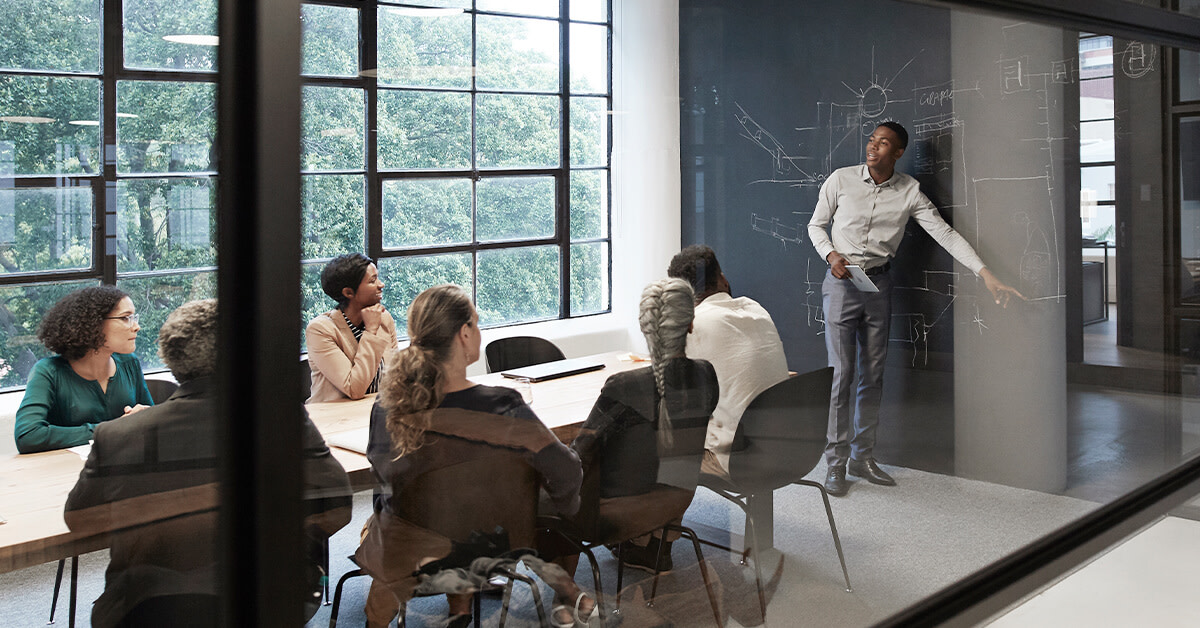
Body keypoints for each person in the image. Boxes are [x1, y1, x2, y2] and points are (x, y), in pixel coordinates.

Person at [64, 299, 353, 628]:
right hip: (265, 596)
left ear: (173, 361)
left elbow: (79, 521)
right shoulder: (280, 418)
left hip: (147, 606)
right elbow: (338, 503)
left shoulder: (117, 435)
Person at [807, 121, 1025, 496]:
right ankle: (836, 463)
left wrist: (986, 274)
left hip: (879, 285)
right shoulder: (841, 180)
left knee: (873, 376)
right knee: (842, 375)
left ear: (899, 152)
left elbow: (945, 234)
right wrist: (830, 254)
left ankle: (862, 456)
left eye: (884, 143)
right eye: (872, 140)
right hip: (842, 284)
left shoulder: (910, 192)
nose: (873, 147)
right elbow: (816, 225)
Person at [357, 284, 594, 628]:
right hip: (494, 547)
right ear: (464, 333)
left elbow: (383, 475)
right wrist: (562, 508)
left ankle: (417, 614)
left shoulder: (387, 406)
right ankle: (554, 599)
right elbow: (565, 469)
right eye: (478, 325)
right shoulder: (502, 406)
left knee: (390, 517)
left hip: (411, 552)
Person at [568, 277, 719, 573]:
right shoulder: (706, 374)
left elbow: (578, 455)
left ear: (644, 327)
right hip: (673, 502)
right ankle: (656, 545)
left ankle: (566, 599)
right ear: (690, 324)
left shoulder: (623, 386)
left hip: (615, 515)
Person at [667, 244, 789, 474]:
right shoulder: (757, 309)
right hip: (789, 445)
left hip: (736, 457)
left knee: (647, 442)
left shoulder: (694, 325)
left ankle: (666, 508)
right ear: (722, 278)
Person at [14, 286, 154, 454]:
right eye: (125, 318)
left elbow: (153, 421)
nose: (136, 326)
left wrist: (144, 417)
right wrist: (114, 429)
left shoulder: (129, 363)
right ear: (94, 324)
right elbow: (28, 435)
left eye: (134, 318)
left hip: (123, 467)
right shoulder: (48, 371)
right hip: (61, 474)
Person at [306, 253, 397, 403]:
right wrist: (371, 331)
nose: (381, 285)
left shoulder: (384, 317)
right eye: (373, 280)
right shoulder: (320, 329)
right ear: (348, 292)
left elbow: (395, 377)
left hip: (376, 413)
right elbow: (354, 388)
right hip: (335, 420)